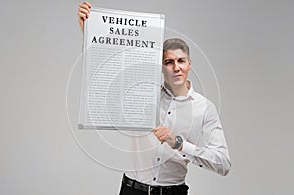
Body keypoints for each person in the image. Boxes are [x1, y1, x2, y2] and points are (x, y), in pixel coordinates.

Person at [78, 2, 231, 195]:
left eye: (181, 61)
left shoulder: (204, 108)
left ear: (189, 64)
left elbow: (223, 164)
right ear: (160, 66)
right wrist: (90, 31)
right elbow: (107, 73)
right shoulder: (140, 95)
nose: (176, 67)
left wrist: (177, 143)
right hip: (132, 190)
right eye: (169, 62)